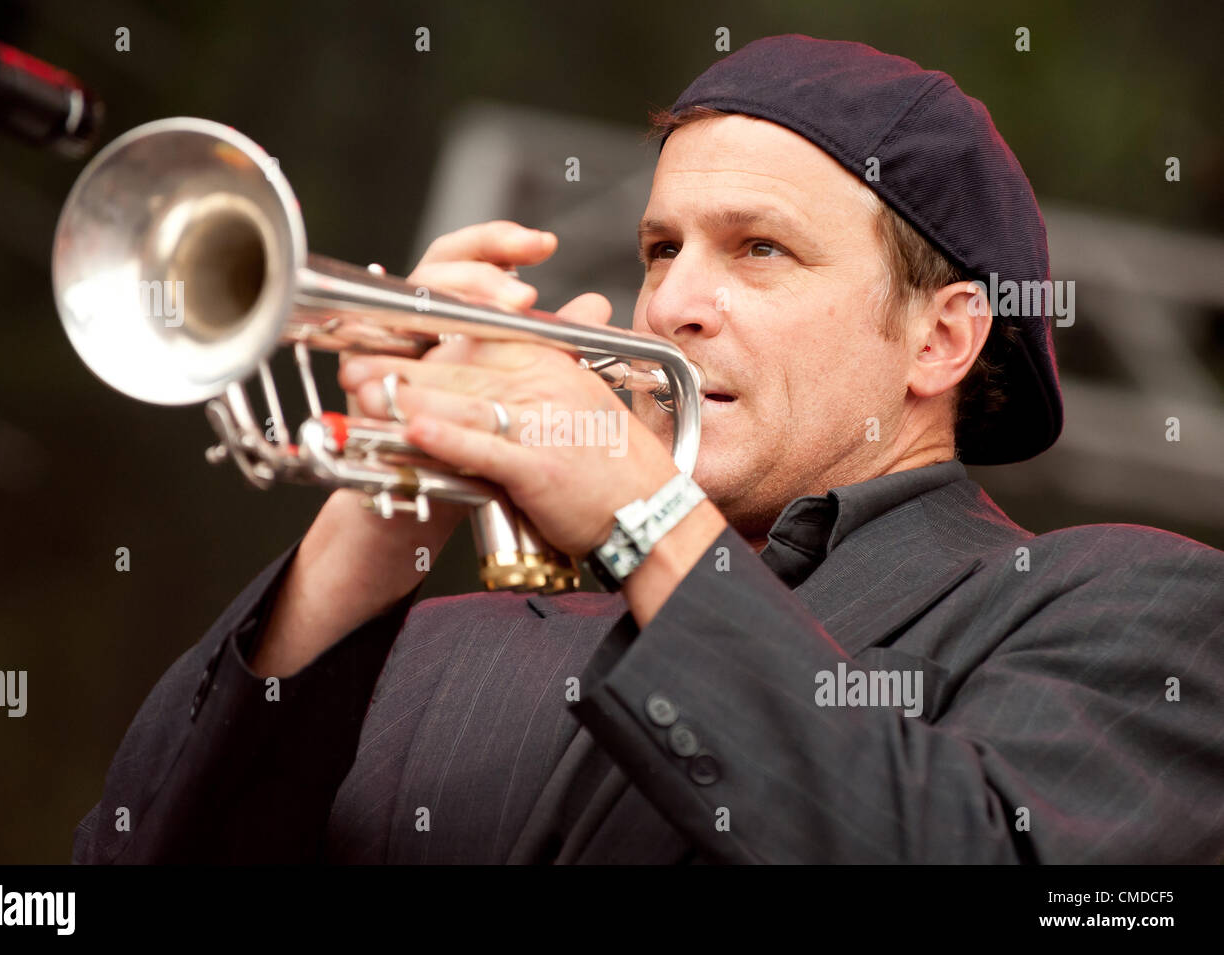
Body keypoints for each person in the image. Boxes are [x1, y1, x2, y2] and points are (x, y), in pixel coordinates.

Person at [73, 34, 1224, 864]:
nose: (671, 301)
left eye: (759, 249)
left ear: (941, 336)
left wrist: (637, 514)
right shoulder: (432, 647)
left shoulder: (1124, 605)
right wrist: (389, 504)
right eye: (659, 247)